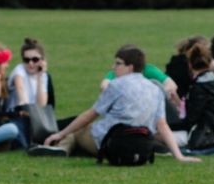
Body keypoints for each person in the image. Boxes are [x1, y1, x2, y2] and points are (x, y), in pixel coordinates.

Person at [38, 45, 197, 162]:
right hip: (142, 147)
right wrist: (179, 156)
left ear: (130, 67)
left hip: (114, 144)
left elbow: (89, 116)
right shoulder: (155, 89)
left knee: (77, 128)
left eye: (118, 63)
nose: (113, 67)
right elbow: (163, 126)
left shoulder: (117, 85)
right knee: (82, 127)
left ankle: (60, 148)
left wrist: (60, 133)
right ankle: (61, 147)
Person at [8, 38, 55, 109]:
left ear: (42, 60)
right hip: (18, 116)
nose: (30, 63)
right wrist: (24, 105)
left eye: (35, 59)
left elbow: (42, 105)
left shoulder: (44, 75)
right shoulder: (19, 70)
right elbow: (21, 95)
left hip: (35, 115)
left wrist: (40, 77)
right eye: (26, 60)